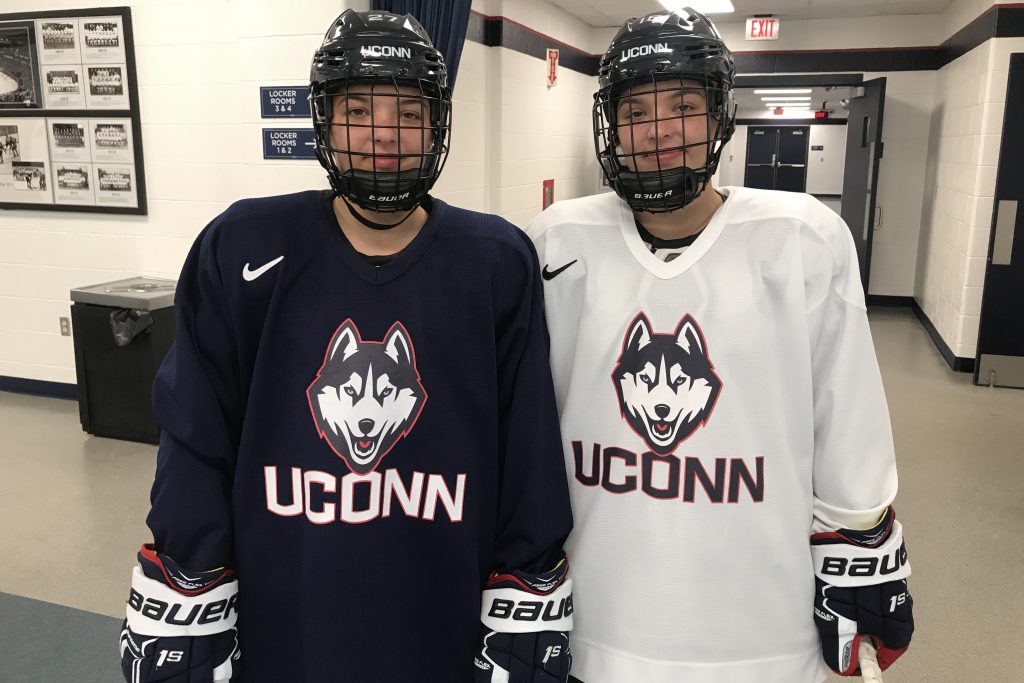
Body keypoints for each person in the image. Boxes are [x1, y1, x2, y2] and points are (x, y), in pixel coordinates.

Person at [118, 10, 573, 683]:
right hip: (280, 626)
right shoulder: (243, 247)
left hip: (441, 623)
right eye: (358, 109)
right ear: (324, 121)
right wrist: (190, 574)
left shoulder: (496, 262)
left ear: (436, 126)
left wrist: (528, 581)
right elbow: (193, 433)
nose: (382, 135)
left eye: (408, 113)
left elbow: (528, 449)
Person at [527, 8, 914, 683]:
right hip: (599, 624)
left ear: (717, 117)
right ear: (610, 124)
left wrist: (859, 535)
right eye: (637, 108)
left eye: (683, 103)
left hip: (761, 632)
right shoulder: (557, 243)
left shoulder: (803, 239)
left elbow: (846, 417)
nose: (660, 129)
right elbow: (525, 426)